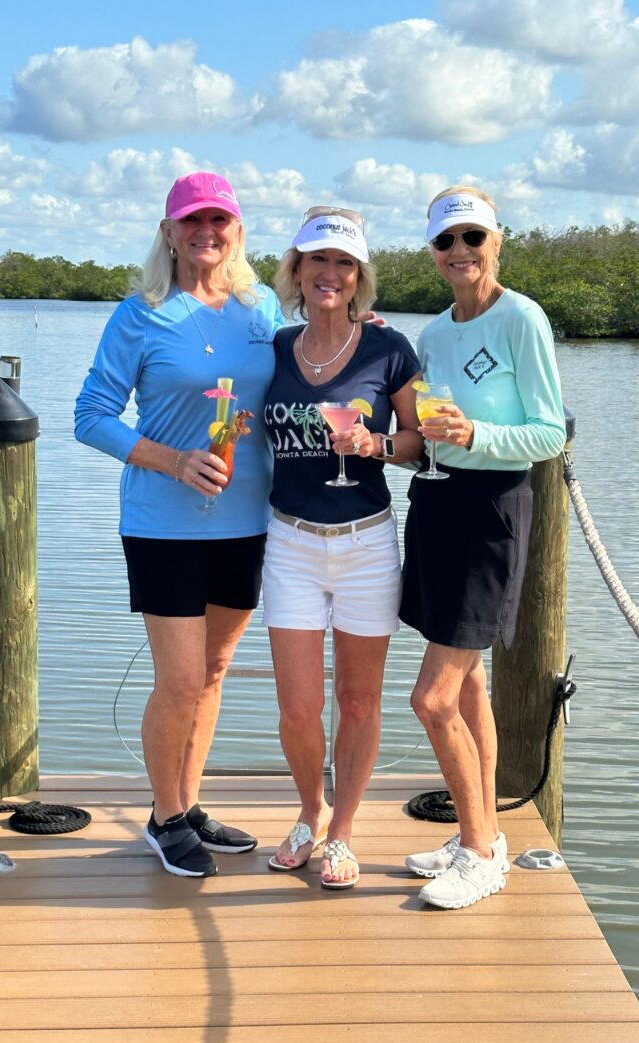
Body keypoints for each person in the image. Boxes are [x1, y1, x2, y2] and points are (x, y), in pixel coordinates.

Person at [74, 171, 284, 877]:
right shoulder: (140, 314)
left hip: (247, 520)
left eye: (219, 221)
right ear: (168, 232)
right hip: (163, 523)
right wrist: (172, 460)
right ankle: (164, 819)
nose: (206, 233)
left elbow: (306, 374)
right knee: (181, 677)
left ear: (237, 231)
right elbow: (91, 416)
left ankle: (189, 806)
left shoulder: (261, 315)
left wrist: (359, 328)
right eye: (191, 221)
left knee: (215, 671)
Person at [400, 185, 566, 909]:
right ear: (433, 254)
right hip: (437, 502)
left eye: (473, 238)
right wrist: (412, 444)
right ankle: (482, 829)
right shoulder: (434, 333)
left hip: (494, 508)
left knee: (430, 697)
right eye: (446, 242)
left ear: (497, 240)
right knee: (466, 686)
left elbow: (549, 433)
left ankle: (479, 852)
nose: (461, 253)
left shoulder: (522, 318)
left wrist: (479, 436)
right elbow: (434, 430)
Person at [262, 206, 422, 889]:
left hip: (366, 544)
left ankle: (342, 833)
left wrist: (377, 444)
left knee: (357, 702)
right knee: (298, 706)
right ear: (296, 272)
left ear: (359, 279)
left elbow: (419, 442)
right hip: (290, 542)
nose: (330, 273)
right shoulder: (271, 348)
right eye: (317, 260)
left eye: (344, 263)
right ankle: (308, 810)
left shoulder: (390, 350)